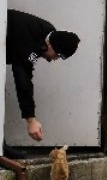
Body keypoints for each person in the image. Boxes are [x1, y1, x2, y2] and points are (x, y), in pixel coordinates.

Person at [5, 9, 80, 152]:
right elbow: (22, 76)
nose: (54, 59)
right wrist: (30, 120)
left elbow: (26, 70)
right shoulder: (30, 35)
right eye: (57, 56)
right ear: (51, 45)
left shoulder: (45, 34)